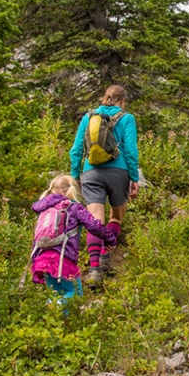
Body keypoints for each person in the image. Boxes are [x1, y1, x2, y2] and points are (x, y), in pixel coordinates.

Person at [69, 85, 139, 283]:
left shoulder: (89, 117)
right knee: (115, 217)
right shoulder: (127, 118)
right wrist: (134, 178)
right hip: (119, 172)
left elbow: (76, 149)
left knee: (95, 222)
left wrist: (75, 176)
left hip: (92, 173)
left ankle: (94, 269)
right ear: (123, 101)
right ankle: (105, 255)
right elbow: (131, 150)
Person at [30, 174, 117, 308]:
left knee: (55, 294)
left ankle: (52, 315)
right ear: (70, 190)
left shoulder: (44, 209)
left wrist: (34, 261)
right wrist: (109, 238)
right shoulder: (74, 207)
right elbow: (93, 226)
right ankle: (59, 309)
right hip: (63, 259)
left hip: (42, 260)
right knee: (74, 294)